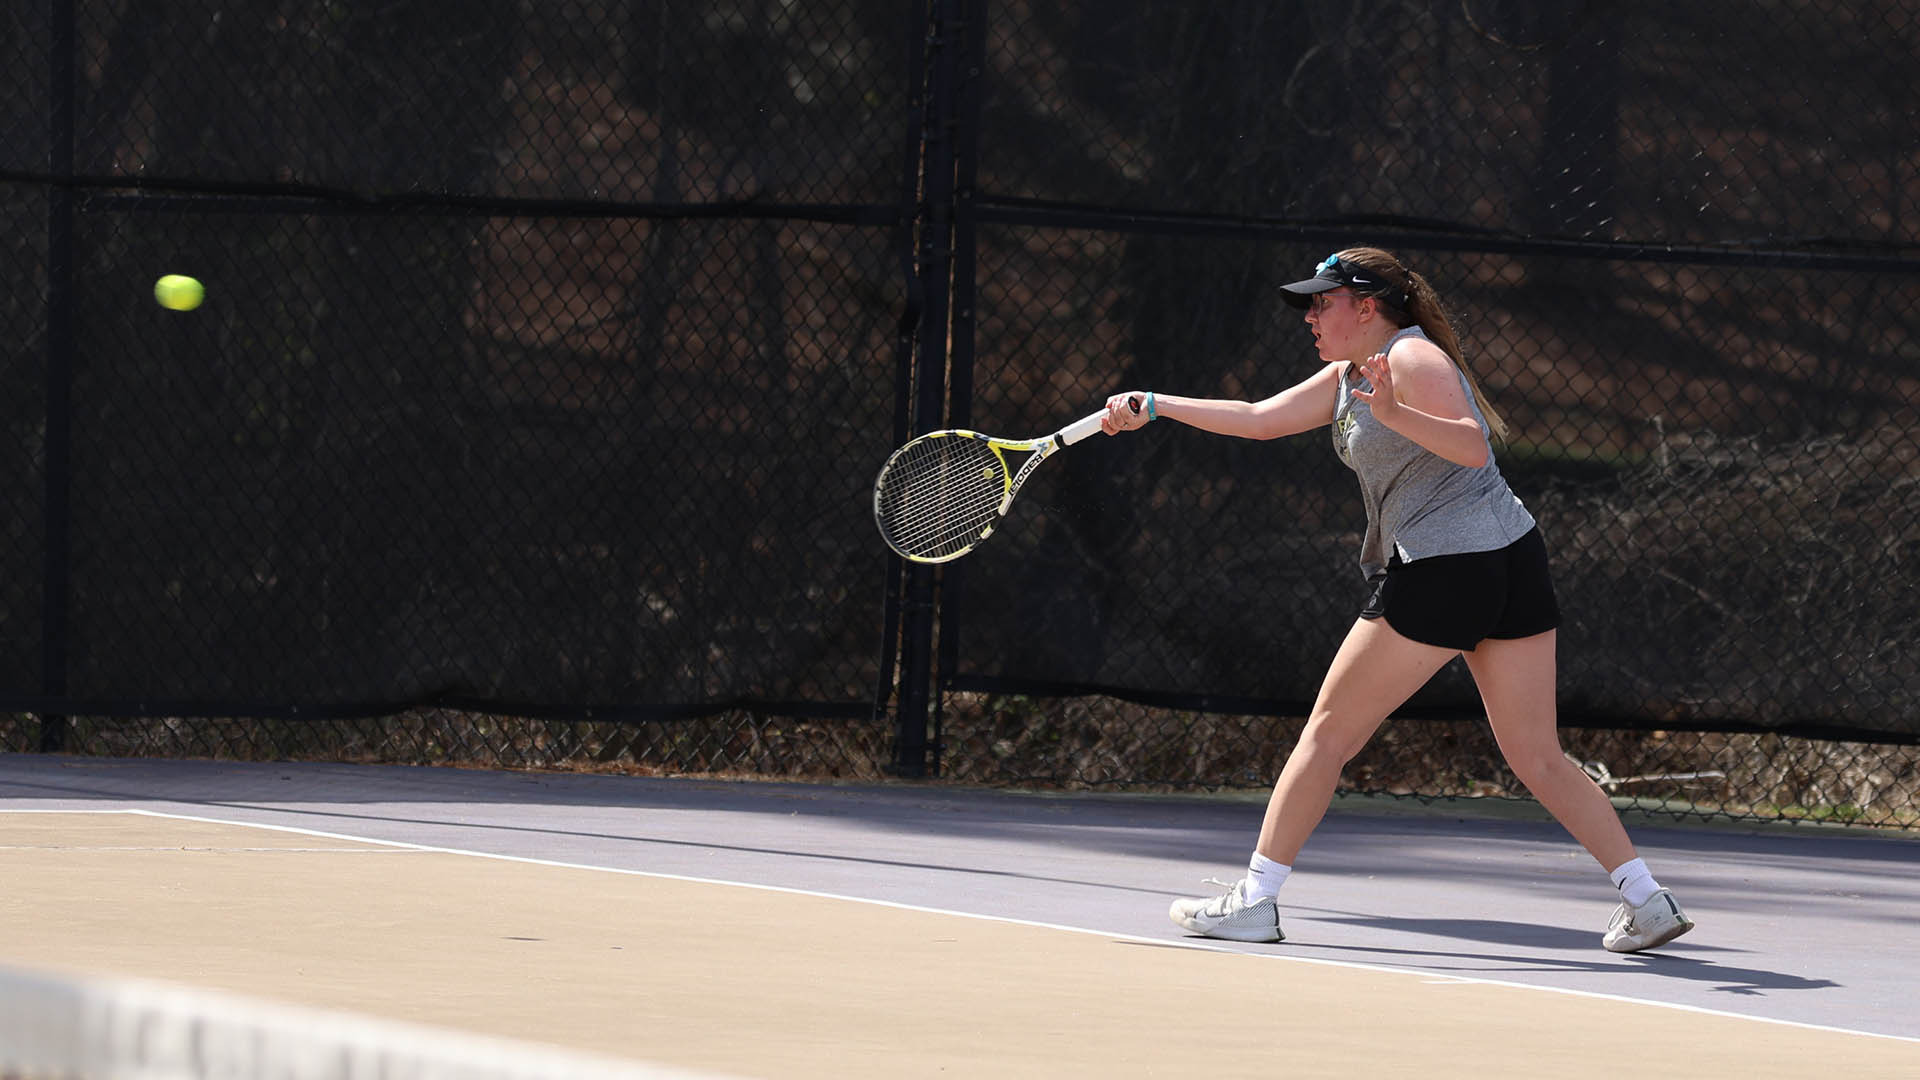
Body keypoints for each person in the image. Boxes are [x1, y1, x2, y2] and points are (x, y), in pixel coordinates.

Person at [1097, 247, 1694, 953]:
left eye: (1323, 302)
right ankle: (1646, 899)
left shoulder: (1411, 361)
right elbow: (1259, 418)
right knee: (1538, 756)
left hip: (1449, 568)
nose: (1312, 316)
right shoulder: (1351, 376)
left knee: (1327, 734)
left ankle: (1254, 900)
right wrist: (1157, 406)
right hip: (1507, 561)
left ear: (1367, 306)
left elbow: (1472, 447)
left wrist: (1394, 412)